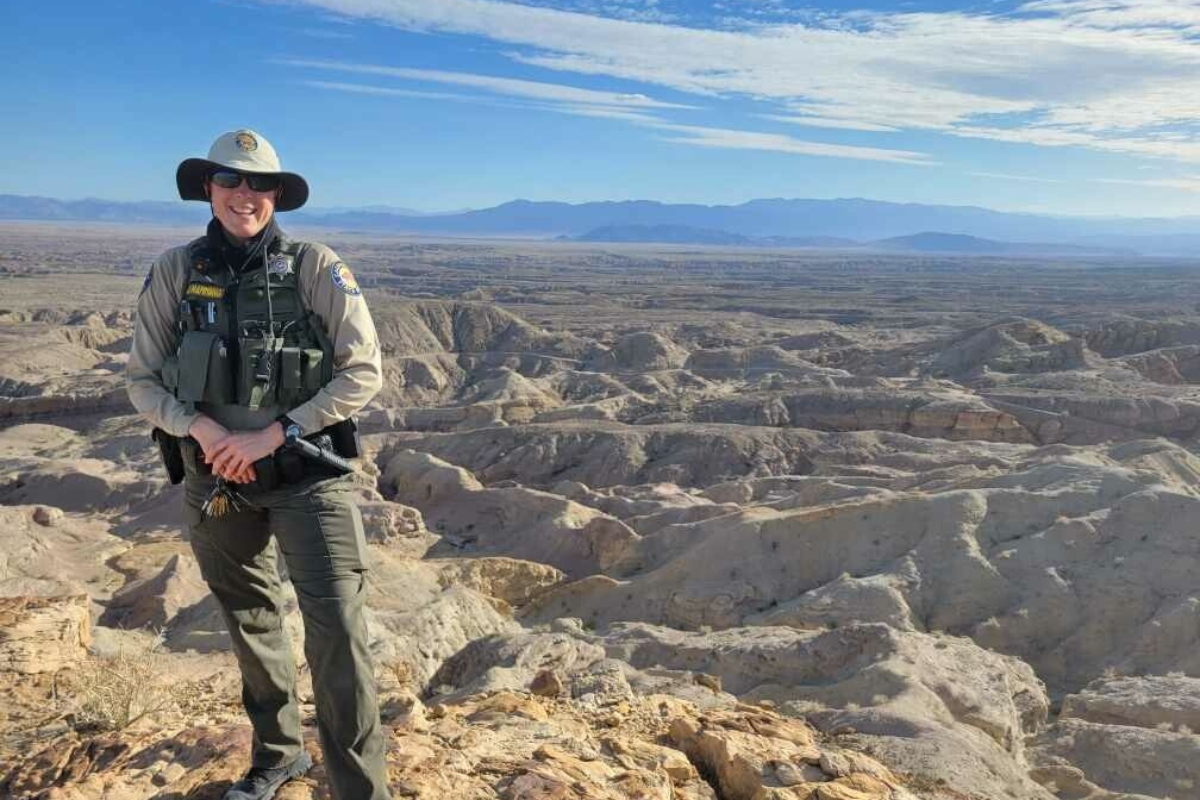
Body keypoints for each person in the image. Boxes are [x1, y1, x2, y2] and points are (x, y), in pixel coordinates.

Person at [126, 129, 392, 800]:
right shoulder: (175, 271)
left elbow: (363, 372)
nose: (245, 195)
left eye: (260, 184)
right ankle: (278, 756)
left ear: (278, 195)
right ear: (209, 188)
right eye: (230, 181)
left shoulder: (314, 266)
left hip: (307, 477)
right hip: (217, 481)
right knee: (250, 620)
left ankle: (361, 786)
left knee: (338, 636)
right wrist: (203, 429)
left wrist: (275, 433)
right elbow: (143, 380)